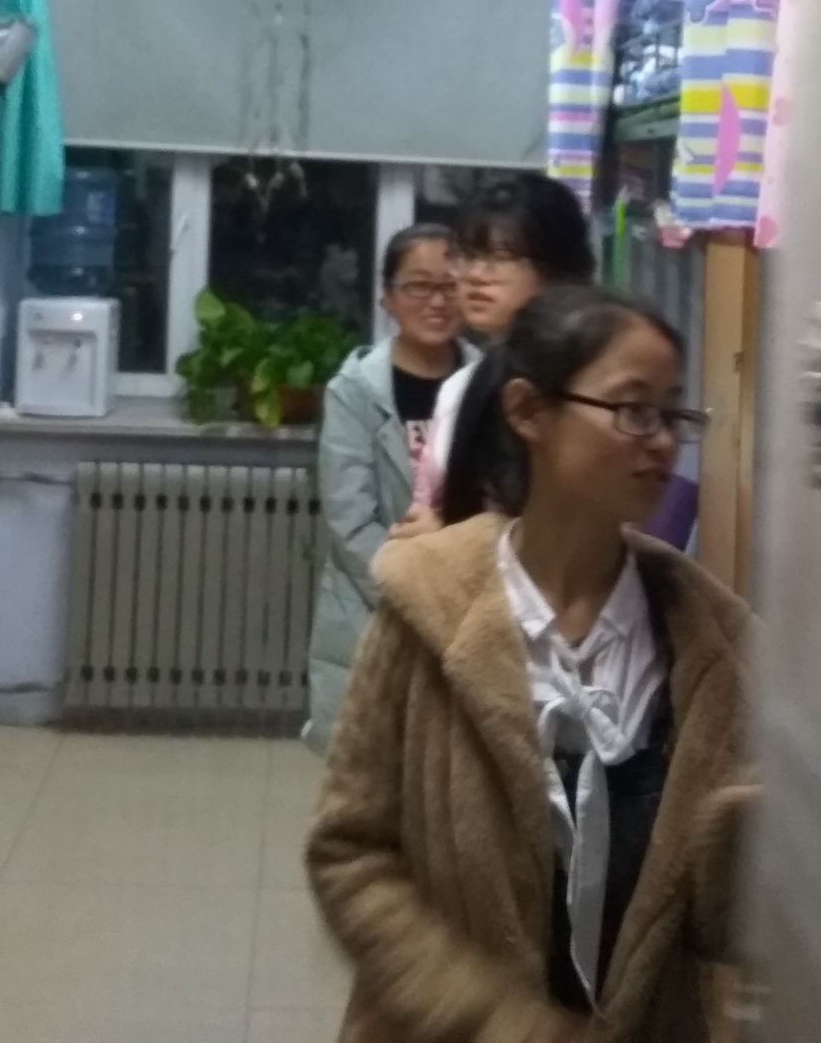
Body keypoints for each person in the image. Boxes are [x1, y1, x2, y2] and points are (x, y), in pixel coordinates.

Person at [307, 286, 752, 1042]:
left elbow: (719, 924)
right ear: (528, 410)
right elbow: (348, 853)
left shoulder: (710, 642)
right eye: (633, 409)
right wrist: (492, 1018)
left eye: (674, 414)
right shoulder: (427, 606)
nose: (662, 442)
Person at [304, 225, 471, 754]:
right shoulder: (355, 391)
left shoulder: (489, 384)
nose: (437, 301)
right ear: (388, 297)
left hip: (470, 608)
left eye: (450, 286)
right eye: (419, 286)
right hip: (376, 608)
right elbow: (350, 521)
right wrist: (419, 599)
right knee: (373, 774)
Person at [388, 173, 595, 539]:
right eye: (468, 256)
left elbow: (580, 523)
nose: (475, 275)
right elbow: (428, 508)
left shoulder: (587, 380)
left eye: (500, 257)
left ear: (558, 268)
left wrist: (449, 536)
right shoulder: (462, 384)